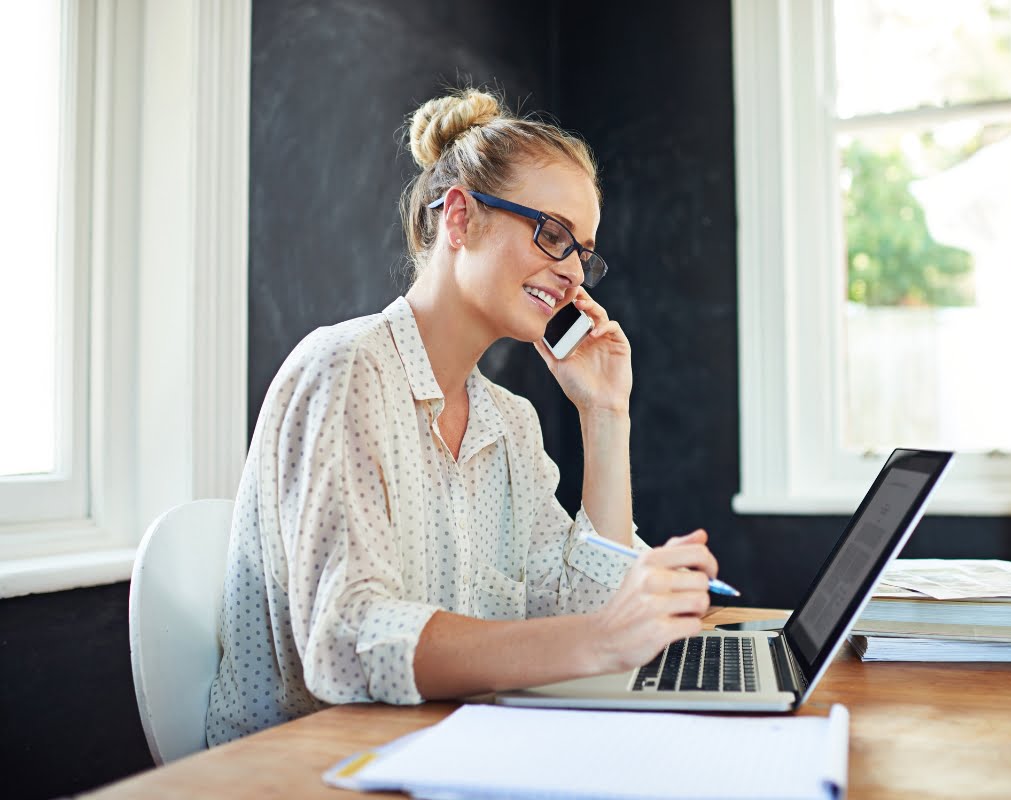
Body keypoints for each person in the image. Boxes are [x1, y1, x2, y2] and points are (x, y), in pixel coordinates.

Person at [206, 88, 722, 745]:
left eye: (583, 253)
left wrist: (605, 415)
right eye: (553, 235)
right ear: (459, 218)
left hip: (444, 748)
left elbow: (590, 613)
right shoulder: (345, 371)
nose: (573, 276)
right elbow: (344, 639)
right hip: (303, 766)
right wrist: (597, 638)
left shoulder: (507, 423)